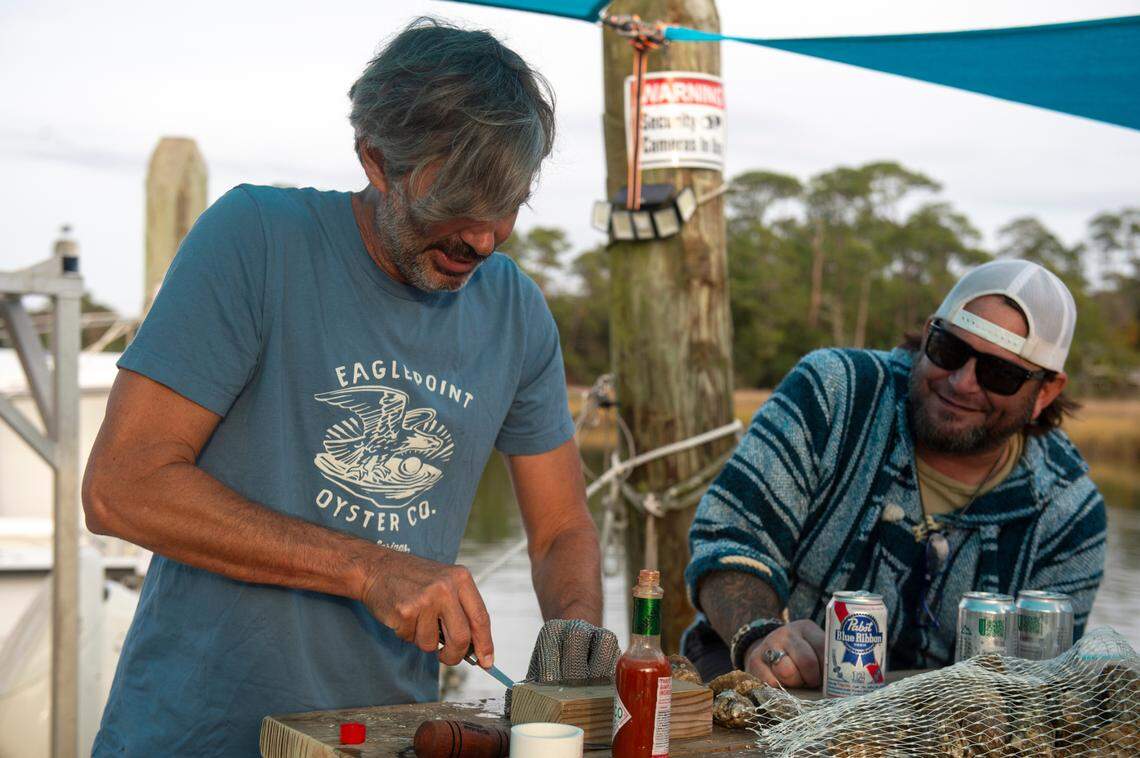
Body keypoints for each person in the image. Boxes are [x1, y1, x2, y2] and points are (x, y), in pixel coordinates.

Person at [84, 19, 603, 755]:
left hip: (380, 737)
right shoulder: (257, 239)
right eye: (454, 205)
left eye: (508, 208)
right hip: (193, 735)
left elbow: (560, 531)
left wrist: (574, 633)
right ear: (376, 160)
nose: (481, 242)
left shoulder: (515, 312)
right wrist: (369, 568)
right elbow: (120, 485)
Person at [682, 259, 1106, 687]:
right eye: (950, 350)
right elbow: (731, 538)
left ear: (1046, 392)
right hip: (771, 682)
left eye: (1000, 373)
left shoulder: (1071, 513)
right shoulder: (834, 393)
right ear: (927, 335)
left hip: (949, 728)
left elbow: (1046, 680)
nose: (961, 381)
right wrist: (760, 637)